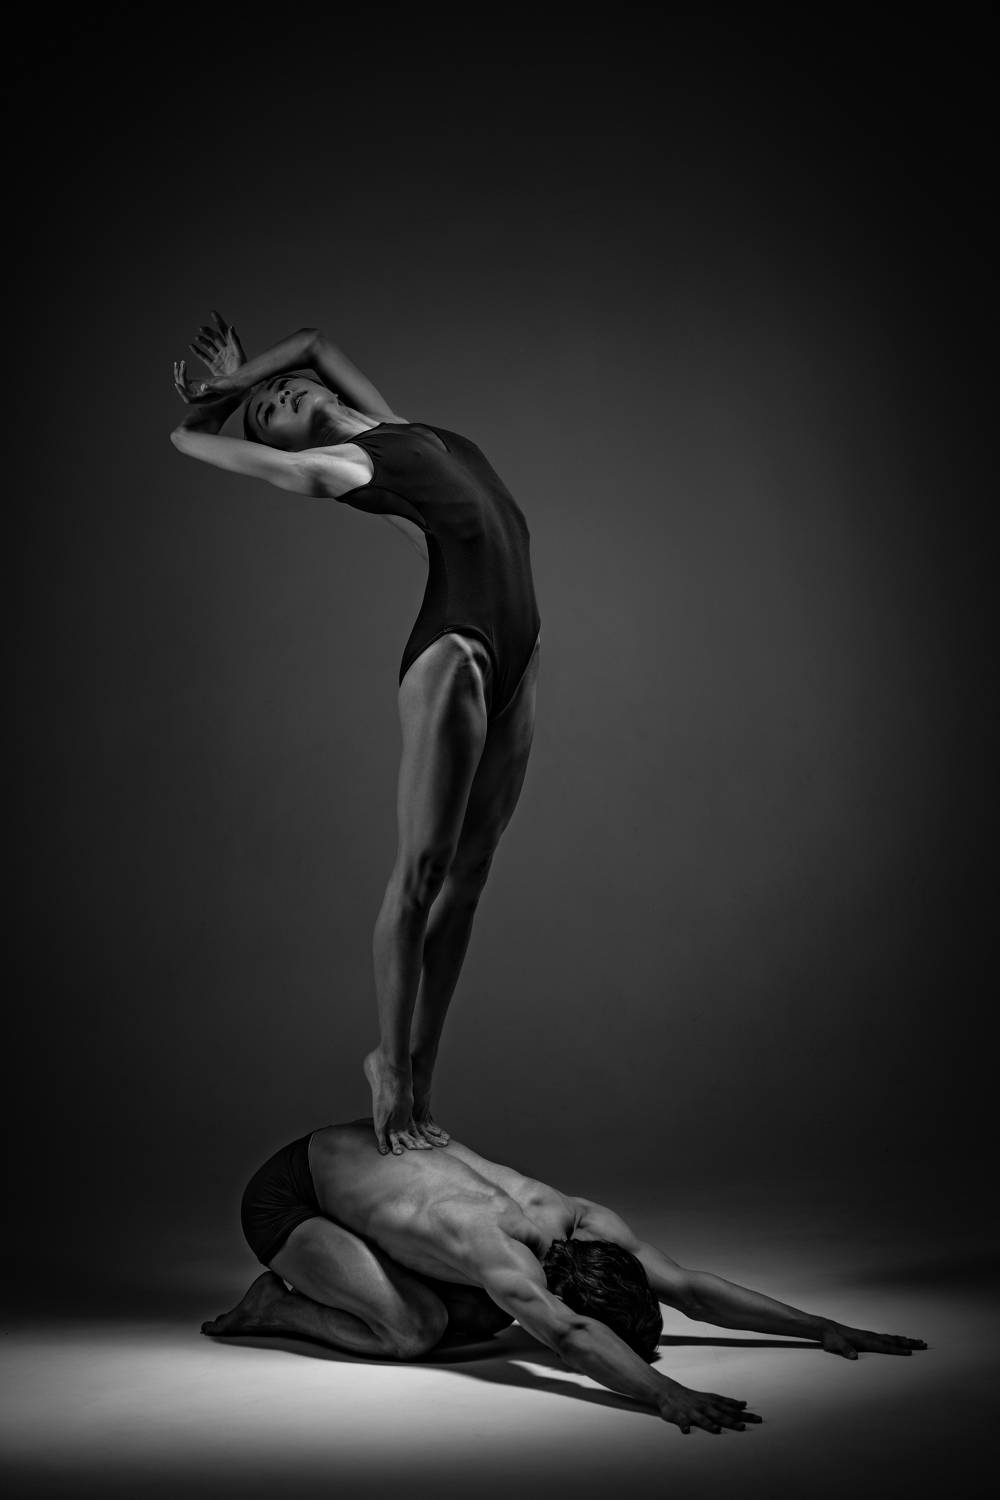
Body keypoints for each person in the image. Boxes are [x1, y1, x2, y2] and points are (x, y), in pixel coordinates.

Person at [171, 313, 542, 1155]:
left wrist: (240, 379)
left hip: (521, 652)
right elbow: (187, 441)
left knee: (471, 877)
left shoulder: (394, 426)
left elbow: (311, 342)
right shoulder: (342, 466)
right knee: (421, 877)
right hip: (459, 654)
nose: (278, 396)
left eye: (281, 391)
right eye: (268, 414)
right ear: (288, 447)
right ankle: (390, 1070)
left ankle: (422, 1075)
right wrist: (213, 408)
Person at [202, 1121, 926, 1435]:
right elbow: (573, 1334)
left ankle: (366, 1258)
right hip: (290, 1196)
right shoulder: (499, 1251)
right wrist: (667, 1395)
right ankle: (273, 1307)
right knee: (415, 1332)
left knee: (482, 1316)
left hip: (357, 1167)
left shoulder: (579, 1221)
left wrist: (821, 1326)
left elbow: (690, 1289)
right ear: (558, 1292)